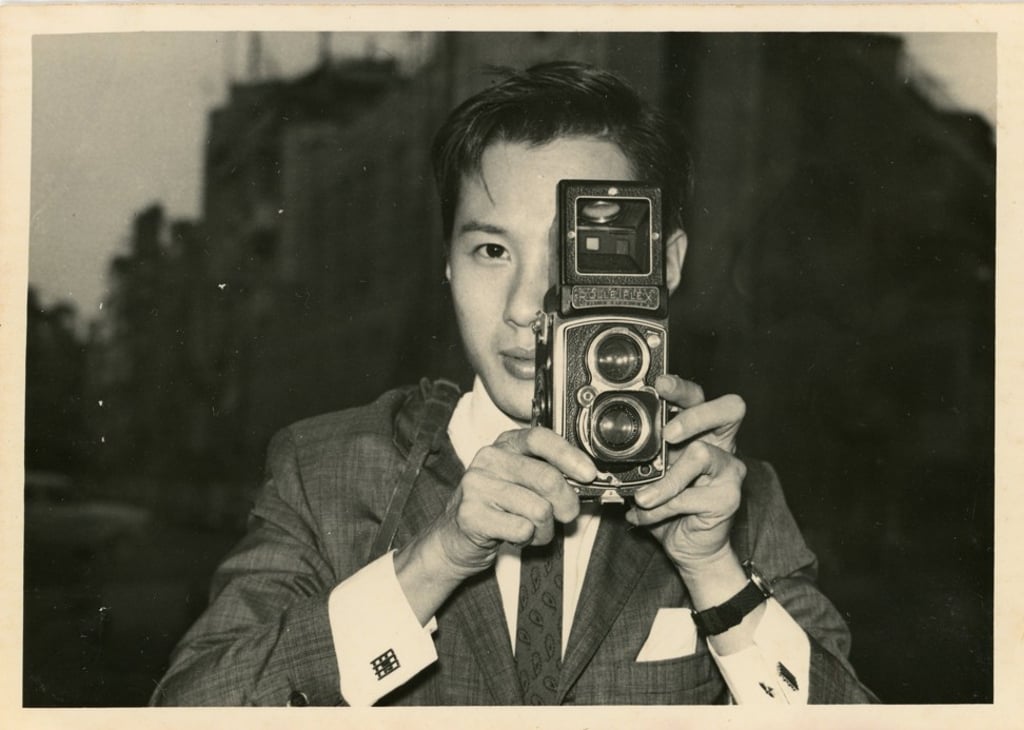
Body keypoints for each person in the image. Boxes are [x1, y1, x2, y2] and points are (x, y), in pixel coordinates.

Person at [150, 61, 875, 706]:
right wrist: (433, 560)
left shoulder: (733, 500)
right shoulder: (328, 470)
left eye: (577, 252)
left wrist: (715, 575)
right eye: (493, 250)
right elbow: (187, 706)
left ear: (667, 265)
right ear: (446, 264)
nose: (530, 304)